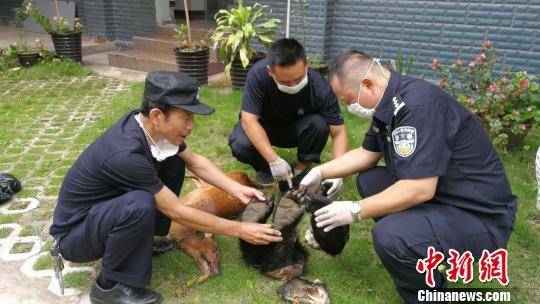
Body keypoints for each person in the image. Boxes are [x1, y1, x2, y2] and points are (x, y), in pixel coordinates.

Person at [300, 50, 517, 303]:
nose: (349, 108)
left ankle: (425, 294)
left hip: (481, 218)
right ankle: (415, 250)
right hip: (446, 196)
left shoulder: (417, 108)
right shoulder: (389, 101)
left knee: (389, 236)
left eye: (348, 100)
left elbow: (419, 189)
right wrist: (320, 170)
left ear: (367, 85)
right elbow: (367, 153)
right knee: (368, 180)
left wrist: (355, 210)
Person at [49, 71, 282, 304]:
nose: (192, 126)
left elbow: (195, 161)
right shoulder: (126, 154)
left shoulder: (146, 127)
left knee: (173, 158)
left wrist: (236, 189)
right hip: (74, 236)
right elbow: (175, 211)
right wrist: (240, 230)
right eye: (186, 117)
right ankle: (111, 287)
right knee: (139, 203)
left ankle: (140, 241)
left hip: (100, 215)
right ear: (157, 115)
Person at [228, 38, 348, 198]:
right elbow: (249, 121)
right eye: (285, 81)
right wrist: (273, 160)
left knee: (319, 124)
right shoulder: (257, 75)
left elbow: (339, 132)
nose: (292, 85)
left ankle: (301, 170)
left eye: (298, 79)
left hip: (298, 131)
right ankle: (265, 168)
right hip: (264, 127)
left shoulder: (319, 87)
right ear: (270, 71)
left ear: (307, 64)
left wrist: (337, 173)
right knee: (240, 144)